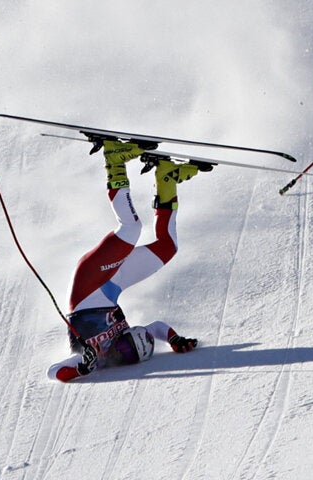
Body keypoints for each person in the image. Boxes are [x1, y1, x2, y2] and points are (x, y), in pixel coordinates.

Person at [48, 140, 208, 382]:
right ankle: (167, 178)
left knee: (131, 228)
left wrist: (80, 368)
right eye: (129, 353)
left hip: (88, 285)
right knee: (168, 247)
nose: (121, 353)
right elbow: (156, 328)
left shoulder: (92, 358)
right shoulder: (134, 339)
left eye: (125, 351)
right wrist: (174, 339)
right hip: (114, 283)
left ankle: (114, 161)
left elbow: (53, 372)